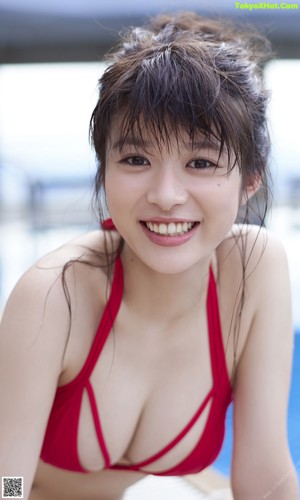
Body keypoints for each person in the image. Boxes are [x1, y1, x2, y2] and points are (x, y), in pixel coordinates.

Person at [0, 11, 298, 500]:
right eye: (136, 159)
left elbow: (266, 479)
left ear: (250, 180)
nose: (165, 195)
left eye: (200, 162)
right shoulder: (54, 294)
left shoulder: (254, 270)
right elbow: (6, 482)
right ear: (104, 170)